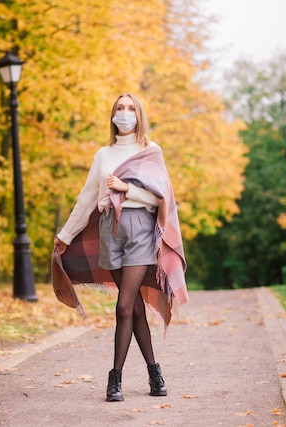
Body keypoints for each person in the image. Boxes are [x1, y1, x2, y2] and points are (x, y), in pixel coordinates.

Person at [52, 93, 188, 402]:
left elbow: (161, 198)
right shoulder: (103, 155)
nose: (124, 114)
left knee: (124, 305)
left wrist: (127, 189)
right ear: (113, 116)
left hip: (139, 228)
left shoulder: (151, 151)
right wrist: (66, 234)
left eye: (130, 109)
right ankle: (155, 373)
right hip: (108, 231)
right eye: (119, 109)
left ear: (139, 116)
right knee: (135, 307)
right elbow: (87, 198)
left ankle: (115, 380)